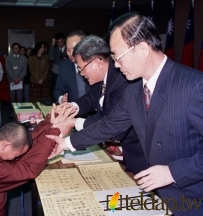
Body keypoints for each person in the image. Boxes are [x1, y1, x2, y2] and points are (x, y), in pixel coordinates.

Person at [48, 12, 203, 215]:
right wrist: (66, 144)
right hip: (155, 195)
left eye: (117, 56)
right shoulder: (134, 90)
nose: (116, 64)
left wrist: (173, 172)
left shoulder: (194, 85)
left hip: (191, 199)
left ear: (142, 49)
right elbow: (109, 125)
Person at [71, 35, 146, 174]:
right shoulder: (102, 77)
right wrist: (72, 107)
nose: (81, 74)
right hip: (118, 151)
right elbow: (90, 99)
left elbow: (112, 125)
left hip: (138, 155)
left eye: (82, 69)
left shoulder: (123, 80)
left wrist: (74, 123)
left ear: (97, 62)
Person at [54, 30, 91, 104]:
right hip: (74, 112)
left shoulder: (94, 64)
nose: (71, 54)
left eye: (75, 49)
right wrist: (61, 99)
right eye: (68, 50)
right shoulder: (64, 67)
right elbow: (58, 90)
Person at [49, 32, 68, 101]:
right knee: (54, 88)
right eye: (58, 42)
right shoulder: (54, 49)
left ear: (64, 40)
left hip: (66, 72)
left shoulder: (68, 49)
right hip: (55, 73)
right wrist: (53, 44)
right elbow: (51, 58)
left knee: (65, 89)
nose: (60, 44)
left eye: (61, 42)